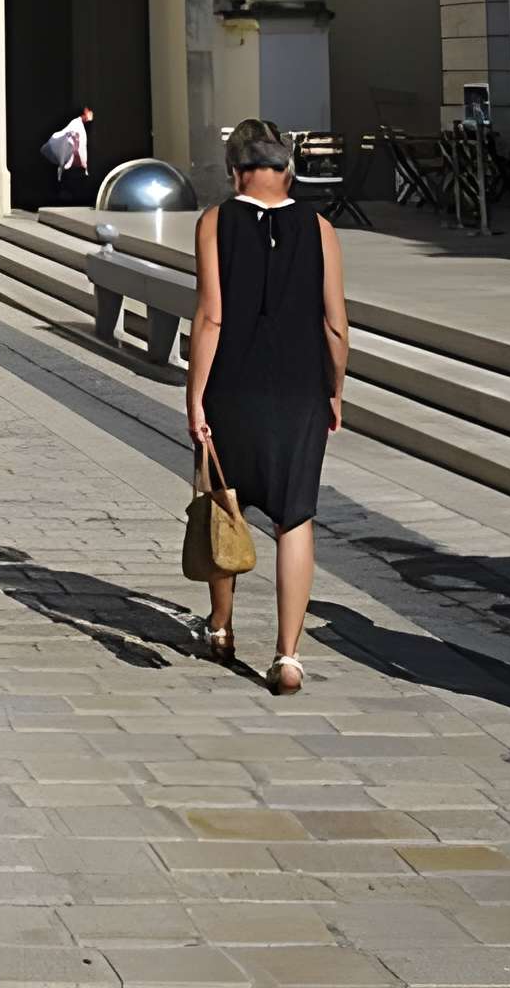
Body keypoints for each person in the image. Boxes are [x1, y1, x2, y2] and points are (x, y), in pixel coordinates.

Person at [184, 121, 347, 693]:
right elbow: (335, 324)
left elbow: (212, 315)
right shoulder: (320, 226)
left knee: (225, 501)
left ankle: (222, 627)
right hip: (300, 387)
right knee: (295, 514)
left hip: (233, 382)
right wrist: (336, 389)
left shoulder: (215, 222)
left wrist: (195, 393)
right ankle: (288, 656)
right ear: (288, 169)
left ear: (234, 171)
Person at [47, 104, 96, 204]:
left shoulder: (82, 126)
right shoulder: (75, 124)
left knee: (74, 186)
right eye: (88, 113)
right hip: (70, 164)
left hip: (75, 165)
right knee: (68, 186)